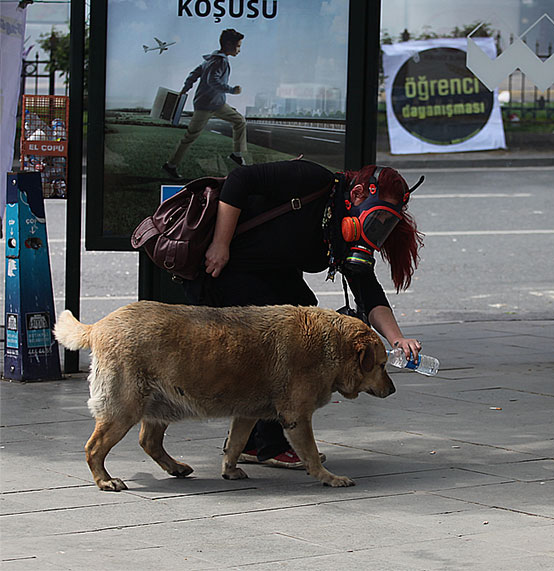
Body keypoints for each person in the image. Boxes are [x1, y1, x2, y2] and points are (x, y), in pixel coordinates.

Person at [183, 158, 425, 468]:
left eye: (386, 224)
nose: (378, 229)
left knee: (301, 314)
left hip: (268, 274)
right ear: (359, 194)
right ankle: (269, 444)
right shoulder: (312, 180)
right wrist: (221, 243)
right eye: (378, 218)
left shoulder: (345, 234)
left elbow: (367, 290)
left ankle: (254, 445)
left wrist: (397, 339)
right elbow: (241, 179)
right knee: (288, 347)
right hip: (224, 269)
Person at [163, 28, 248, 179]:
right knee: (190, 136)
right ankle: (170, 165)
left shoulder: (210, 59)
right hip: (205, 106)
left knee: (239, 120)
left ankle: (236, 154)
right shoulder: (219, 61)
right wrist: (232, 90)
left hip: (217, 104)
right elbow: (212, 81)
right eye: (238, 46)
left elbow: (193, 74)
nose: (239, 50)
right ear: (228, 44)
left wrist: (185, 88)